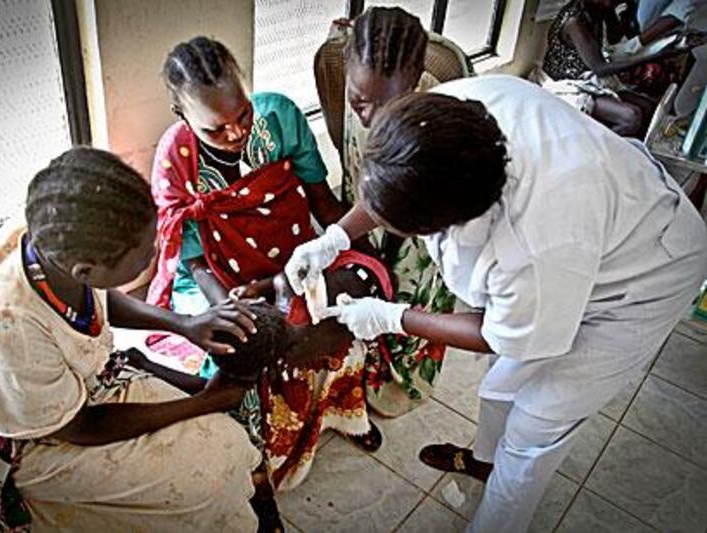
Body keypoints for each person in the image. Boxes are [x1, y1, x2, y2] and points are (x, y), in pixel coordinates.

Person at [285, 75, 707, 532]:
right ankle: (483, 461)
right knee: (500, 386)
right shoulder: (445, 118)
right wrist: (336, 236)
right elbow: (393, 180)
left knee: (534, 428)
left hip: (641, 280)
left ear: (443, 222)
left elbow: (500, 334)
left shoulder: (538, 242)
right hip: (597, 224)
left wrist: (395, 318)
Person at [0, 147, 263, 532]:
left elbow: (96, 298)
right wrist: (206, 402)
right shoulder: (7, 330)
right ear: (85, 269)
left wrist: (185, 324)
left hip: (70, 390)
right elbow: (80, 426)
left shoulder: (55, 234)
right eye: (142, 256)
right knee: (206, 478)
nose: (155, 253)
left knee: (231, 444)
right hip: (34, 432)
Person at [146, 36, 381, 477]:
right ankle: (255, 471)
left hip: (292, 254)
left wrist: (362, 252)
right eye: (215, 128)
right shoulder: (174, 160)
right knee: (239, 351)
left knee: (342, 309)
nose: (235, 134)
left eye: (242, 114)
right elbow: (194, 262)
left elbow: (320, 201)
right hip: (215, 277)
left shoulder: (281, 116)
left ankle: (344, 413)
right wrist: (230, 306)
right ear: (182, 115)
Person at [315, 6, 467, 417]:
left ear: (416, 81)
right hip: (369, 198)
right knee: (366, 278)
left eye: (391, 103)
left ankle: (398, 376)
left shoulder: (438, 121)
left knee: (402, 296)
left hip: (418, 223)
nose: (374, 116)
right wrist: (337, 236)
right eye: (361, 101)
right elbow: (348, 137)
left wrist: (389, 250)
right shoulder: (354, 79)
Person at [212, 249, 393, 489]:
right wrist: (258, 286)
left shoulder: (327, 329)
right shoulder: (284, 289)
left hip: (349, 325)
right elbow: (280, 279)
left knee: (335, 380)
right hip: (344, 309)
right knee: (291, 401)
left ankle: (348, 421)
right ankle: (289, 450)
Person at [537, 0, 673, 136]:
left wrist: (619, 11)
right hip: (569, 83)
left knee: (649, 107)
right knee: (631, 117)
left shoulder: (599, 8)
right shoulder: (574, 22)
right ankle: (592, 151)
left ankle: (627, 150)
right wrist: (651, 56)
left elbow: (615, 37)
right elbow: (600, 68)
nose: (610, 3)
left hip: (589, 78)